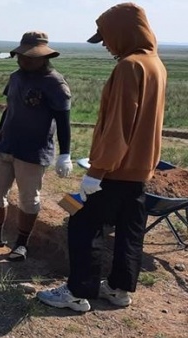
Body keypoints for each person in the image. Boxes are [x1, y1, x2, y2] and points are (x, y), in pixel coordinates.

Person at [37, 2, 167, 312]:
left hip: (114, 171)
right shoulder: (156, 65)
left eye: (107, 37)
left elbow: (119, 125)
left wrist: (97, 171)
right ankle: (119, 290)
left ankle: (77, 293)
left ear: (123, 31)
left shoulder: (129, 66)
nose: (106, 44)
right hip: (139, 173)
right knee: (129, 231)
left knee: (83, 223)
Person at [0, 30, 72, 262]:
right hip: (6, 145)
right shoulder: (16, 77)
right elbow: (10, 108)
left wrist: (65, 154)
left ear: (43, 57)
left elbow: (64, 121)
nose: (24, 60)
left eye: (30, 56)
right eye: (21, 56)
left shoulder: (55, 83)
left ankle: (21, 244)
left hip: (33, 153)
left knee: (29, 199)